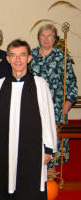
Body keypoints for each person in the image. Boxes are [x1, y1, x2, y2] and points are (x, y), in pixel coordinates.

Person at [0, 39, 57, 200]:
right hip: (4, 149)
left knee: (30, 187)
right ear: (8, 59)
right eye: (13, 56)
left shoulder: (40, 84)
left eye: (22, 55)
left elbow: (47, 117)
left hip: (33, 149)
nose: (18, 60)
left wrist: (48, 148)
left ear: (29, 58)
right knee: (4, 183)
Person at [30, 24, 78, 168]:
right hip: (35, 106)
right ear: (38, 38)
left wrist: (69, 102)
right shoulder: (31, 56)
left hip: (57, 107)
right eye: (43, 36)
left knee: (55, 139)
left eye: (49, 35)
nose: (46, 39)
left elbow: (72, 82)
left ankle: (53, 174)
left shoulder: (62, 57)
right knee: (36, 137)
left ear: (55, 38)